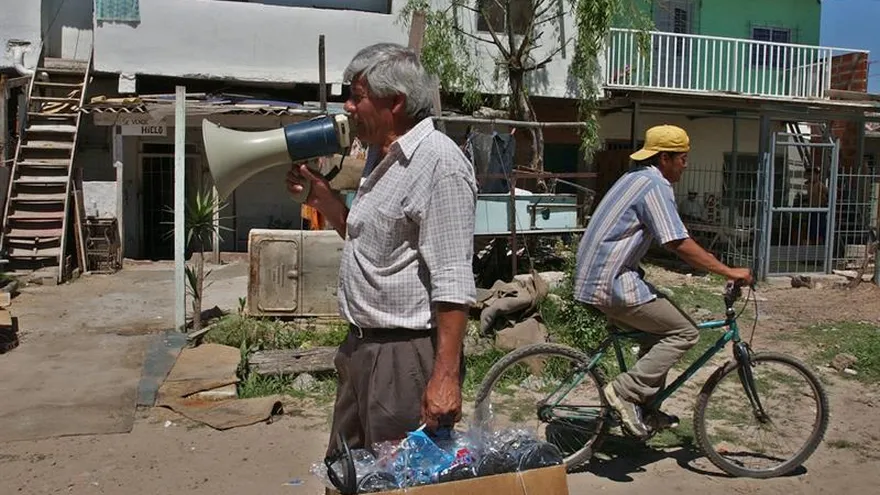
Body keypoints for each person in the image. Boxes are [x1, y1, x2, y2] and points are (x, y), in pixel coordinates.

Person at [285, 43, 477, 457]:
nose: (348, 106)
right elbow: (367, 240)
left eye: (357, 95)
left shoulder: (440, 164)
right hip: (361, 350)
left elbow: (453, 280)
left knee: (398, 478)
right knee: (347, 471)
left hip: (402, 359)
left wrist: (445, 376)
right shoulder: (379, 155)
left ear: (396, 102)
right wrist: (327, 203)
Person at [573, 124, 753, 438]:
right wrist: (729, 271)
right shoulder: (654, 185)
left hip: (597, 277)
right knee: (684, 331)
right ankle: (626, 392)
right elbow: (677, 242)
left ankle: (645, 407)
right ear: (664, 158)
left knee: (661, 329)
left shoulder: (634, 178)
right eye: (682, 158)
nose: (685, 164)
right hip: (610, 282)